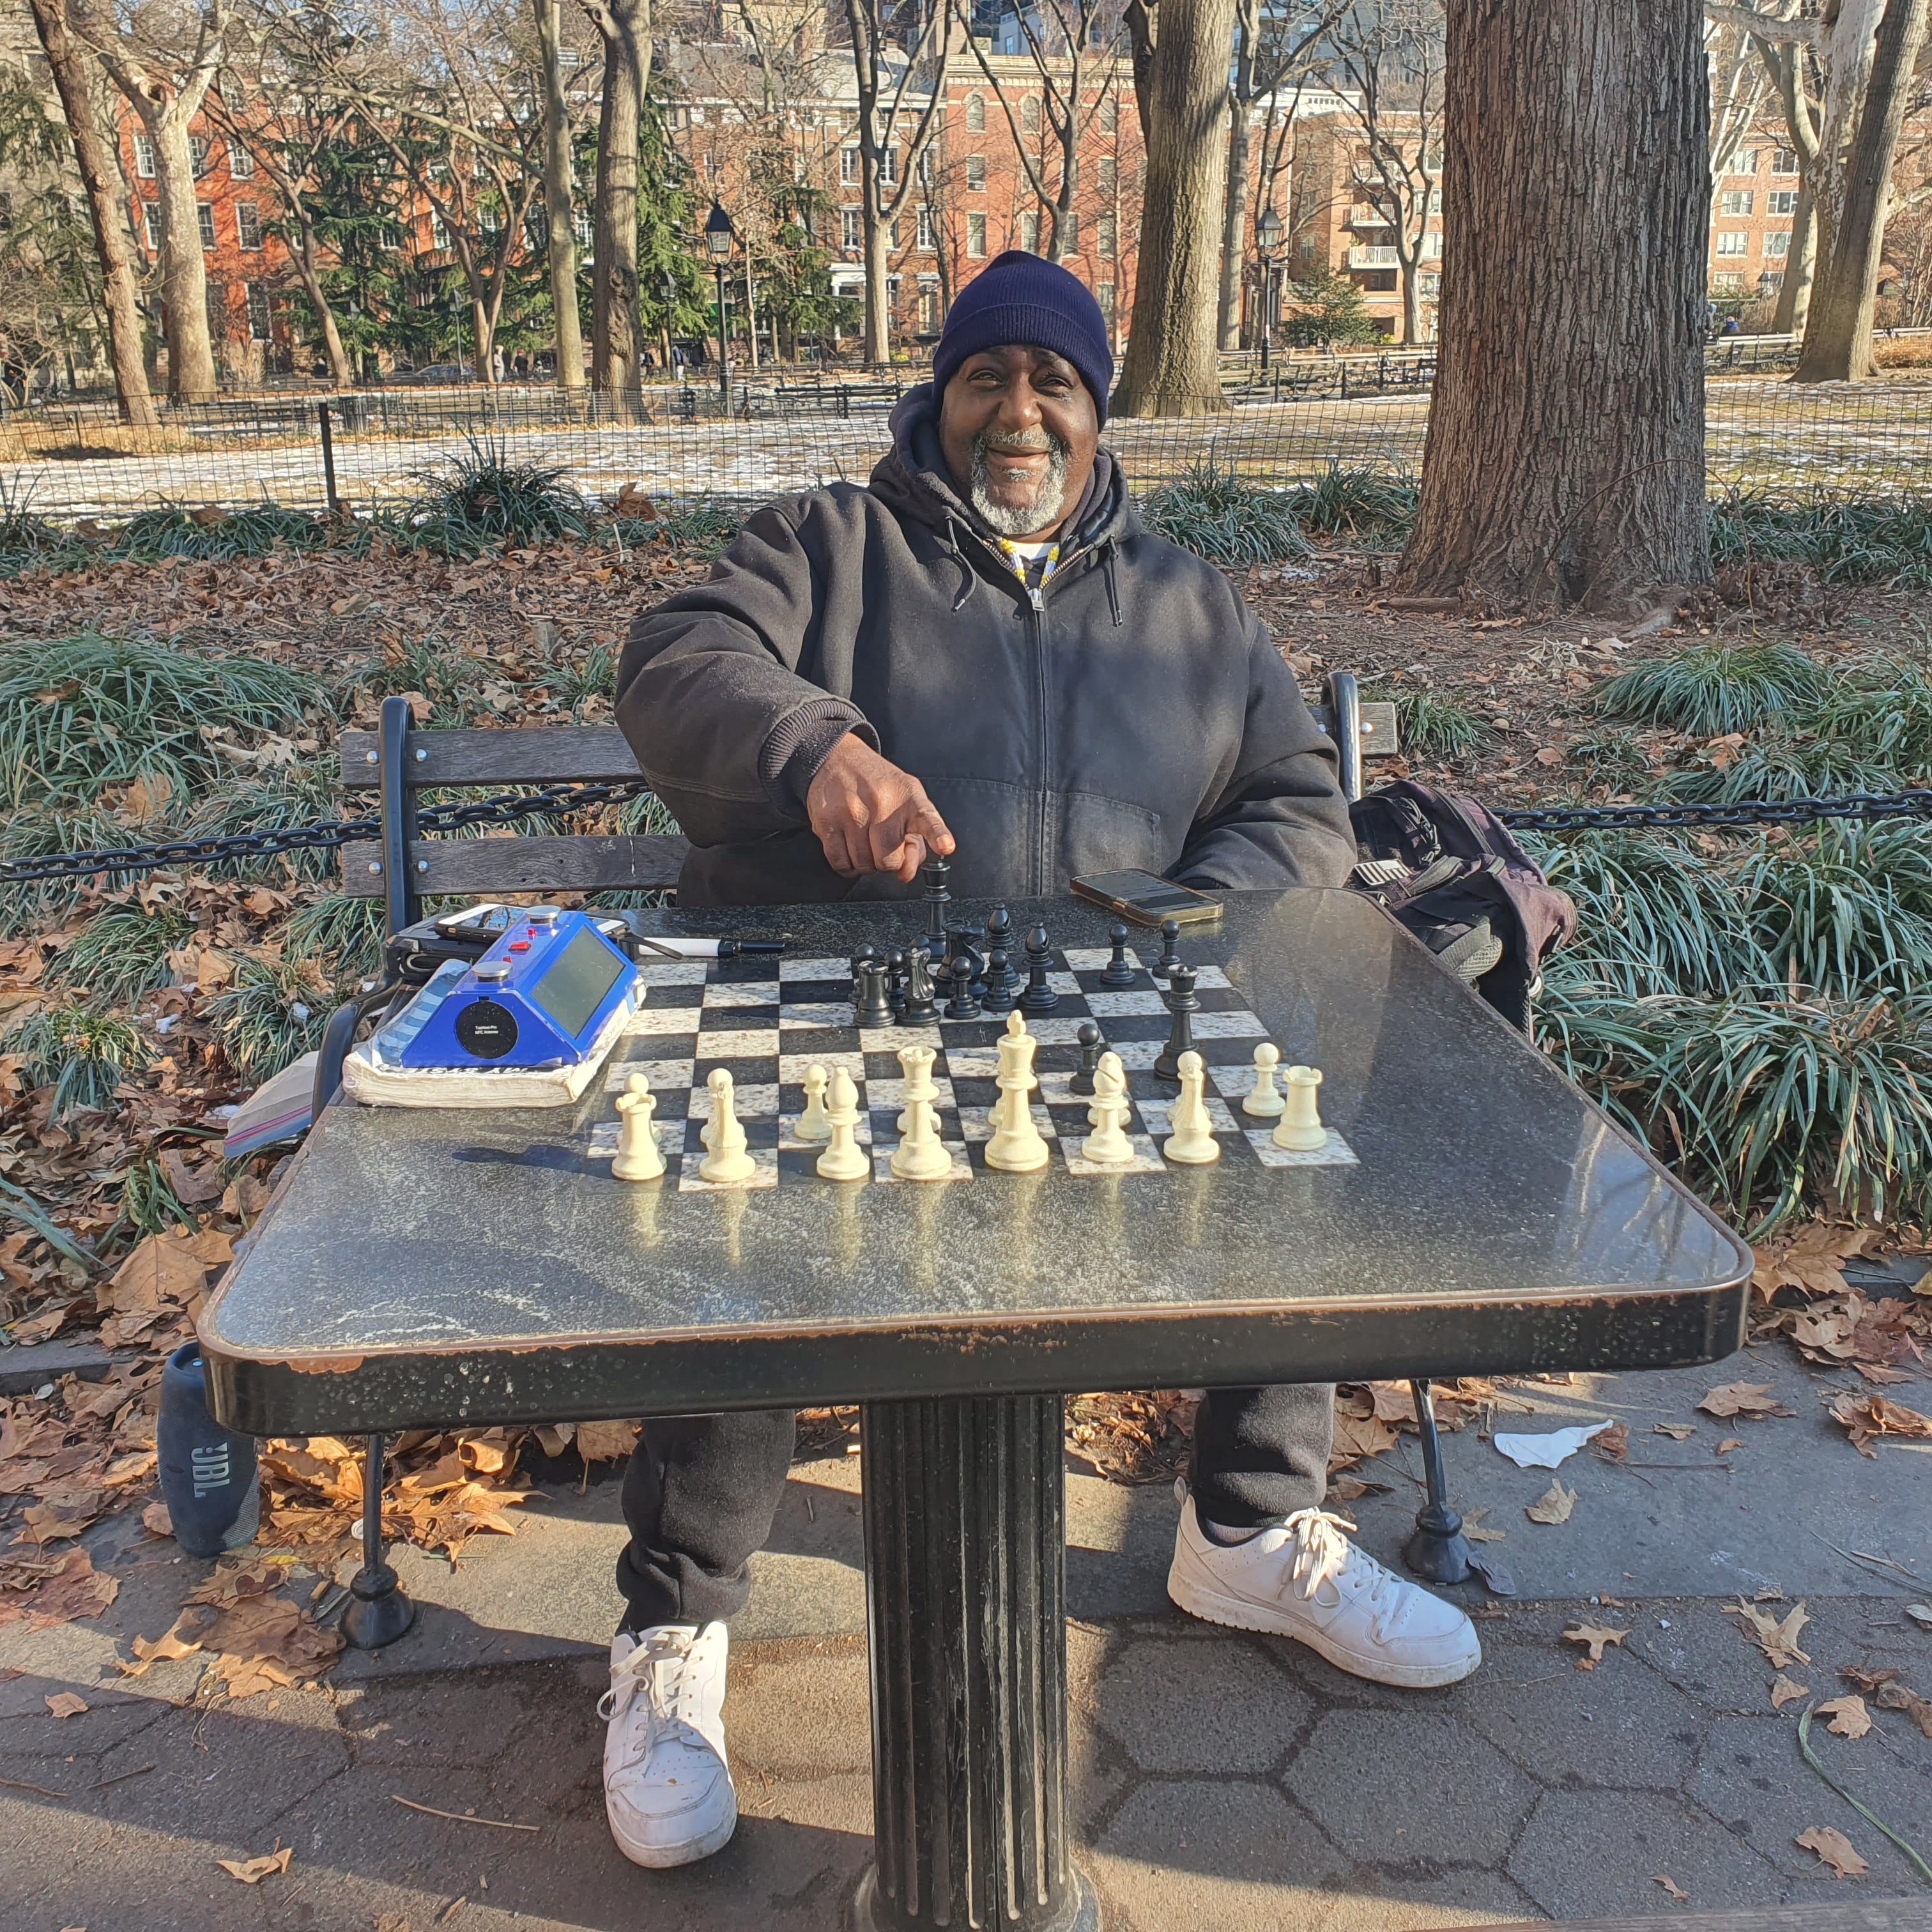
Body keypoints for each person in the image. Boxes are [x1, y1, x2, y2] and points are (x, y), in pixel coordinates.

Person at [607, 250, 1482, 1873]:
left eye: (1054, 383)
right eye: (986, 378)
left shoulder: (1193, 606)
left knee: (1279, 1140)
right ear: (940, 398)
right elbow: (670, 669)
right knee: (732, 1227)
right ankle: (676, 1633)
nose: (1019, 410)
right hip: (827, 1021)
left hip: (1106, 1024)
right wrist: (817, 750)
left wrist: (1179, 917)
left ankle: (1246, 1528)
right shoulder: (826, 546)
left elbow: (1296, 800)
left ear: (1097, 412)